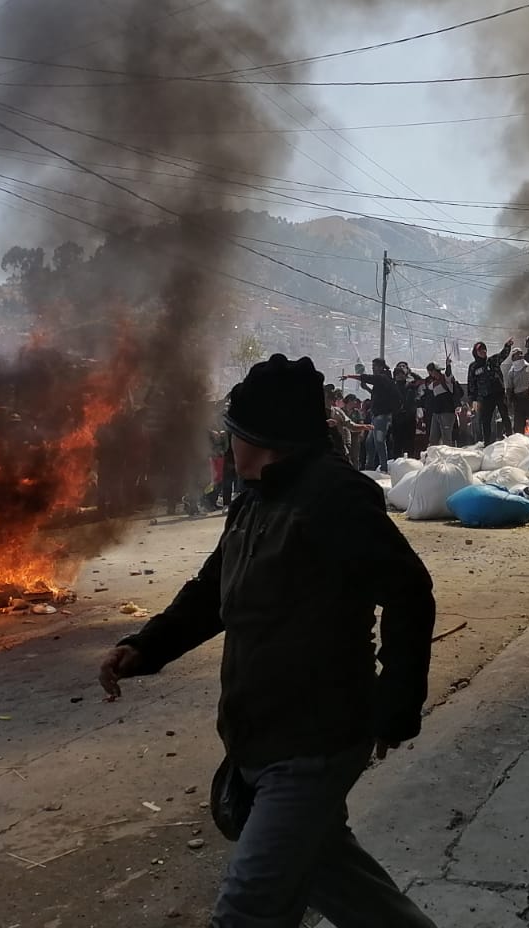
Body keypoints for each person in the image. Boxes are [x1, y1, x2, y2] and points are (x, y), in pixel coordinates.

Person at [98, 354, 437, 928]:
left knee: (248, 909)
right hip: (257, 733)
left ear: (262, 437)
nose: (228, 441)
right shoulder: (254, 500)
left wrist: (395, 705)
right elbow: (212, 591)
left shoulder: (335, 498)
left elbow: (410, 593)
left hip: (315, 738)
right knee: (339, 879)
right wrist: (147, 647)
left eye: (234, 430)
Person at [343, 359, 397, 471]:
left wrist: (349, 376)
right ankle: (370, 466)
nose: (373, 368)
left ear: (381, 367)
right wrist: (366, 388)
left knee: (379, 442)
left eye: (375, 366)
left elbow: (366, 377)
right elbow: (377, 395)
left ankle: (384, 468)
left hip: (382, 416)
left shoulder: (383, 378)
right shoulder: (382, 381)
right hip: (376, 416)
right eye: (372, 366)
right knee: (370, 443)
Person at [466, 339, 513, 445]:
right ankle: (487, 442)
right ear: (475, 353)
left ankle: (511, 437)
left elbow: (503, 355)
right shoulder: (473, 367)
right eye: (480, 350)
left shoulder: (492, 360)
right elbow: (471, 383)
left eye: (484, 349)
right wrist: (472, 399)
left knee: (505, 415)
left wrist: (507, 346)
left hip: (499, 393)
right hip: (485, 397)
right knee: (485, 420)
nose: (483, 352)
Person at [422, 361, 460, 447]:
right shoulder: (434, 383)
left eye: (432, 371)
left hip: (447, 412)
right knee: (433, 438)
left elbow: (448, 374)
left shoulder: (446, 379)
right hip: (436, 413)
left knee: (446, 438)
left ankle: (448, 456)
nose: (431, 373)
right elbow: (428, 387)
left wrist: (448, 365)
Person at [504, 348, 529, 438]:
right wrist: (509, 401)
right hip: (519, 401)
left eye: (521, 353)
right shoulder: (511, 372)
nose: (520, 356)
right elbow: (509, 388)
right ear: (513, 358)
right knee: (518, 426)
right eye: (517, 354)